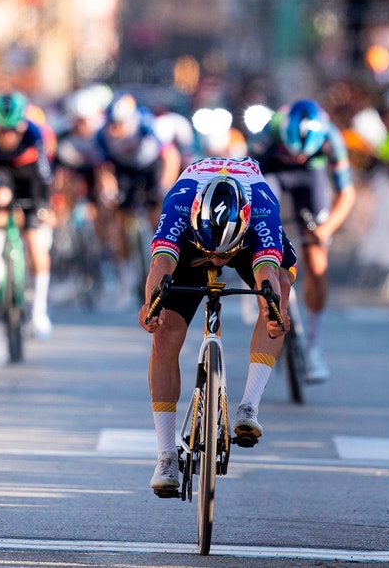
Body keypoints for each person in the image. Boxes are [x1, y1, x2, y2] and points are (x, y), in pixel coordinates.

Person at [138, 156, 296, 497]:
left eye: (225, 255)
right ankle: (166, 455)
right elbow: (162, 263)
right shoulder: (179, 202)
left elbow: (266, 274)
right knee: (164, 331)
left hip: (248, 237)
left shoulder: (264, 206)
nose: (219, 261)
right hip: (192, 242)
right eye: (215, 254)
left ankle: (249, 406)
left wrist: (273, 313)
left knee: (279, 290)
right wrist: (151, 306)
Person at [248, 99, 356, 382]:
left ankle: (313, 346)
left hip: (311, 178)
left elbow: (347, 194)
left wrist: (325, 230)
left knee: (317, 259)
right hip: (272, 172)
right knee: (264, 229)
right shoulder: (267, 132)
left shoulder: (331, 136)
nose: (296, 157)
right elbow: (246, 181)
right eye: (292, 152)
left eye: (302, 154)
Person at [96, 92, 181, 307]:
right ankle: (127, 278)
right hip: (125, 172)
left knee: (159, 213)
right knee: (120, 219)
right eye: (112, 125)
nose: (116, 130)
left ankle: (166, 259)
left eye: (120, 125)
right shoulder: (102, 135)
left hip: (151, 168)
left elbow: (170, 156)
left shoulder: (147, 126)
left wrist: (165, 186)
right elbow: (104, 169)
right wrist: (108, 189)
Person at [0, 91, 54, 338]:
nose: (8, 137)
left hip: (31, 182)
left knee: (34, 241)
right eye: (2, 131)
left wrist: (43, 207)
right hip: (3, 177)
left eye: (13, 131)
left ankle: (39, 312)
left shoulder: (34, 135)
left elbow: (45, 177)